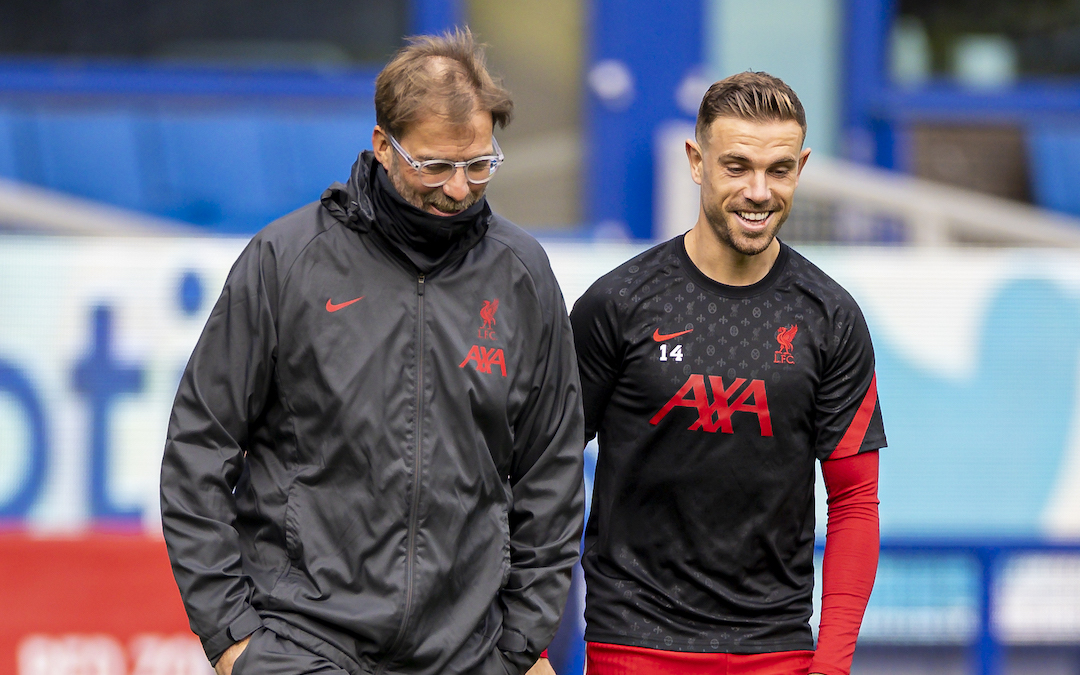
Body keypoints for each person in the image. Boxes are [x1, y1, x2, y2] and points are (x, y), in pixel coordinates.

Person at [160, 29, 583, 675]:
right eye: (436, 166)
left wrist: (520, 641)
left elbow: (551, 471)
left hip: (469, 652)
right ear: (384, 146)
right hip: (302, 643)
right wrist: (232, 637)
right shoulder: (287, 260)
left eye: (479, 164)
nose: (460, 188)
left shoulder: (522, 273)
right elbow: (199, 445)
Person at [569, 71, 885, 675]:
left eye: (780, 170)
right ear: (696, 160)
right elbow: (539, 474)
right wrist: (528, 642)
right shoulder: (618, 304)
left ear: (802, 165)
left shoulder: (832, 317)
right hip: (633, 641)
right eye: (736, 166)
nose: (759, 191)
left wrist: (832, 664)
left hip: (776, 649)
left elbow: (855, 503)